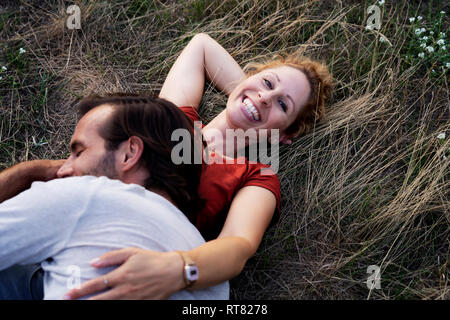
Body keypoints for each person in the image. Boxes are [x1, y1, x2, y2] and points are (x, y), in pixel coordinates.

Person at [2, 33, 333, 300]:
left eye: (282, 104)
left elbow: (238, 247)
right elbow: (201, 45)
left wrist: (179, 269)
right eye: (267, 82)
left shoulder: (258, 175)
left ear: (286, 134)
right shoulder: (175, 122)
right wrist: (248, 95)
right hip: (69, 235)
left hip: (148, 259)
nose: (266, 98)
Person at [0, 95, 228, 300]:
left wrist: (26, 172)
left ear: (129, 154)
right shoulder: (215, 279)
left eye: (79, 152)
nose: (62, 170)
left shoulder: (86, 195)